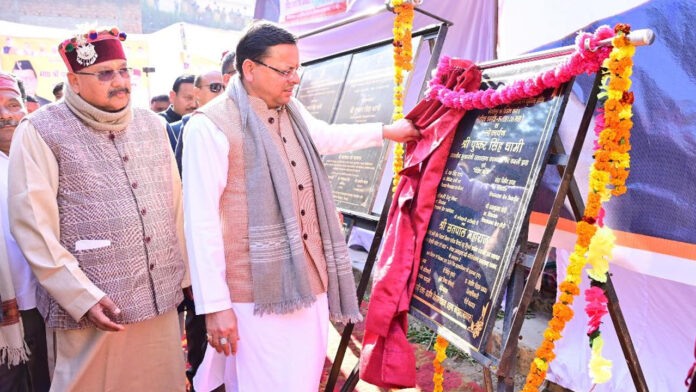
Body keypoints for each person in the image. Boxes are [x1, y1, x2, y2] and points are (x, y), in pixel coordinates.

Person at [183, 21, 419, 392]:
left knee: (302, 380)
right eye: (285, 70)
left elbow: (323, 135)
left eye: (297, 70)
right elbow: (201, 224)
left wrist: (387, 132)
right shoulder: (209, 127)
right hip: (253, 294)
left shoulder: (292, 111)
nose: (294, 80)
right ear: (250, 69)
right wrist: (215, 306)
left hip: (308, 281)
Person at [7, 27, 188, 391]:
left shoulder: (153, 126)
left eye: (123, 70)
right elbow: (32, 226)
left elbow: (175, 207)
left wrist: (186, 280)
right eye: (105, 73)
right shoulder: (41, 129)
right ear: (73, 80)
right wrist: (81, 297)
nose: (120, 81)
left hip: (160, 301)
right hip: (93, 310)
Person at [0, 72, 51, 392]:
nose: (5, 115)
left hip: (48, 297)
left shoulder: (42, 154)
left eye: (12, 105)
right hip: (9, 303)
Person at [173, 67, 228, 173]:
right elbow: (180, 171)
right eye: (215, 87)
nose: (222, 93)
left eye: (225, 88)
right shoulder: (190, 122)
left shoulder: (236, 122)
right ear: (197, 92)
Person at [160, 74, 197, 150]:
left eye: (198, 99)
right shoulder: (159, 123)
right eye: (188, 98)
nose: (194, 104)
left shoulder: (202, 122)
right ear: (172, 96)